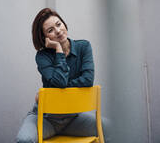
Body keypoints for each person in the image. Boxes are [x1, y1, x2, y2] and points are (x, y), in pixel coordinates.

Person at [16, 8, 110, 143]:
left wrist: (56, 91)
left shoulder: (83, 47)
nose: (58, 31)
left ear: (64, 23)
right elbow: (60, 82)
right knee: (24, 140)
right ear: (45, 38)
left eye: (58, 24)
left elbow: (88, 80)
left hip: (73, 118)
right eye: (50, 30)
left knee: (112, 128)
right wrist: (59, 50)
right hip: (45, 118)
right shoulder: (43, 56)